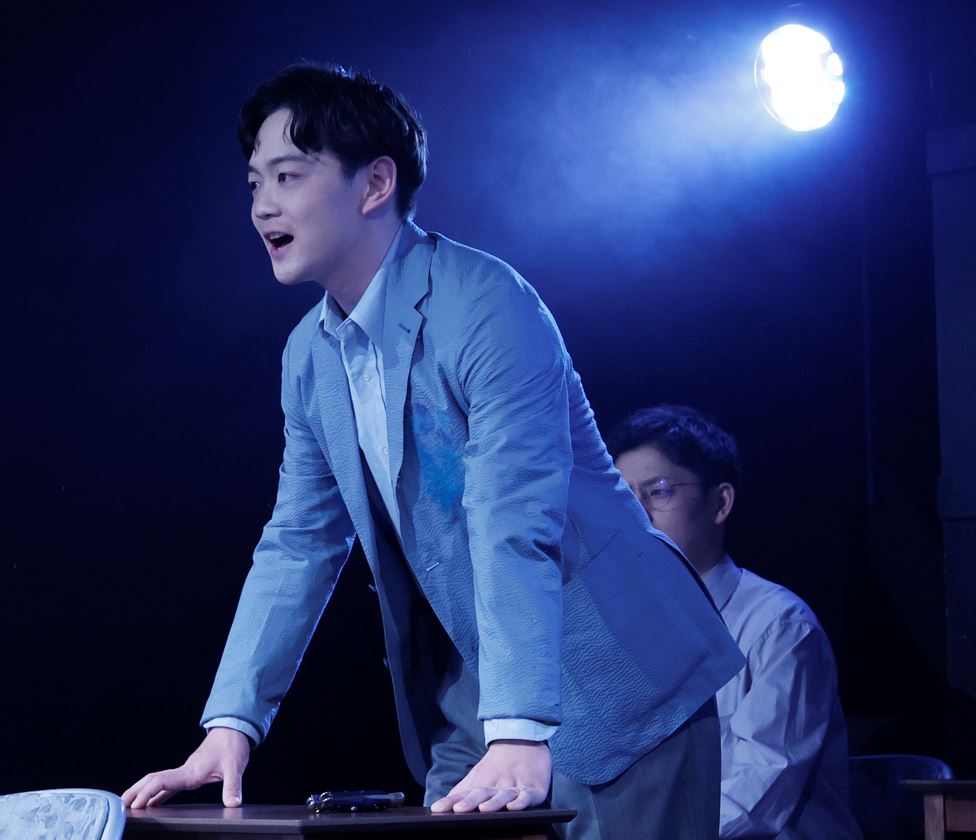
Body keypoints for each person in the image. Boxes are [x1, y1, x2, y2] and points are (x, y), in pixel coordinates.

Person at [122, 64, 743, 839]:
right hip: (476, 695)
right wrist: (231, 725)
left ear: (375, 184)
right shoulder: (308, 356)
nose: (263, 206)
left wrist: (518, 727)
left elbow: (512, 513)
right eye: (255, 184)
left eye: (288, 176)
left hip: (620, 676)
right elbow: (298, 542)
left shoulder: (487, 302)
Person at [605, 404, 861, 839]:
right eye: (625, 497)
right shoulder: (623, 631)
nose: (637, 514)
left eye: (658, 491)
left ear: (720, 502)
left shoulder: (779, 626)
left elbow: (756, 802)